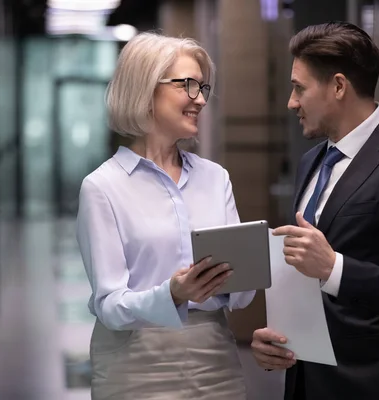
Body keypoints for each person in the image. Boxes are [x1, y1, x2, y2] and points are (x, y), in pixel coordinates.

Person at [251, 21, 379, 400]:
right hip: (305, 381)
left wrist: (334, 268)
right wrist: (279, 338)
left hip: (377, 386)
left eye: (299, 87)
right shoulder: (311, 161)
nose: (291, 102)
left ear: (337, 86)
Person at [76, 32, 255, 400]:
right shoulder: (102, 187)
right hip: (136, 365)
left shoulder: (215, 177)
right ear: (145, 88)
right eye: (187, 85)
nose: (201, 99)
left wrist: (253, 268)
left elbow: (242, 293)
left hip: (216, 360)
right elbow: (109, 304)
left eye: (203, 87)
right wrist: (170, 294)